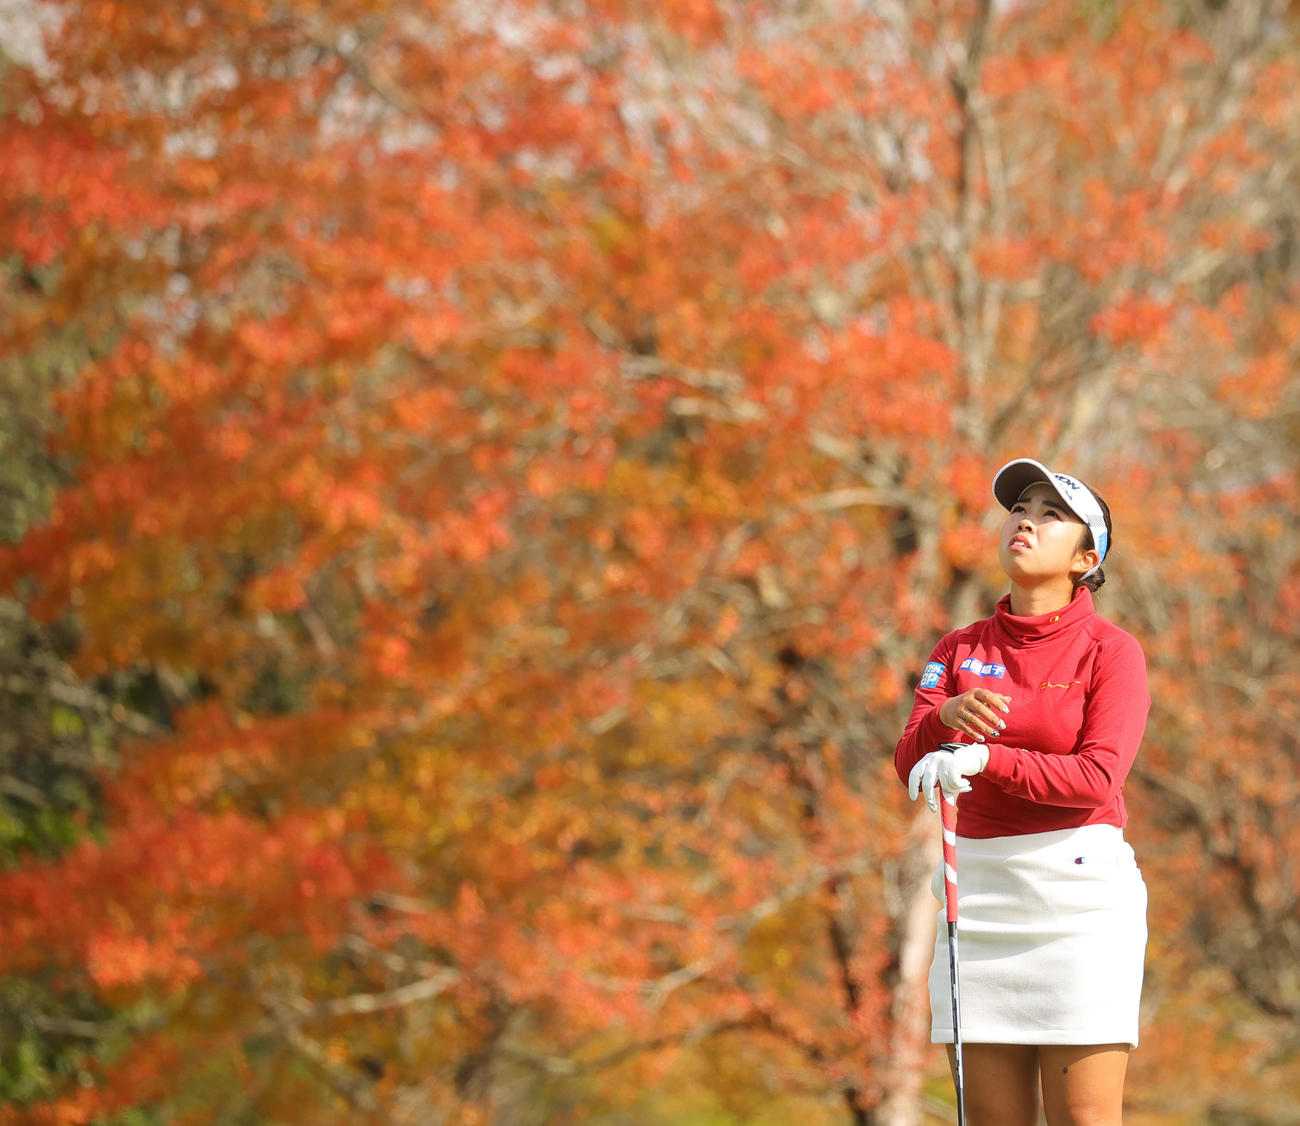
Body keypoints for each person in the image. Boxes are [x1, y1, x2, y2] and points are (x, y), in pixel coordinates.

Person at [893, 458, 1150, 1126]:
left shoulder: (1110, 651)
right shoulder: (957, 648)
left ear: (1085, 558)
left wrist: (988, 758)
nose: (1026, 521)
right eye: (1020, 508)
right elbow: (909, 758)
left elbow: (1097, 779)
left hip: (1079, 901)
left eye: (1050, 514)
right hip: (977, 898)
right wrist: (941, 723)